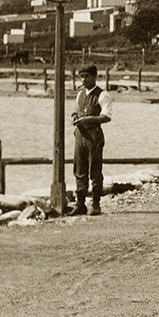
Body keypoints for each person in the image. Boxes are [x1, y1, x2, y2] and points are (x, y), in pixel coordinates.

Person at [69, 65, 113, 216]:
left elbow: (107, 116)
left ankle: (95, 204)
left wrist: (89, 119)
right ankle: (80, 204)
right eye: (81, 76)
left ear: (94, 77)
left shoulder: (102, 95)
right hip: (80, 136)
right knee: (79, 170)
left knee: (95, 171)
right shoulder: (80, 94)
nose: (84, 79)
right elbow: (76, 110)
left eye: (87, 76)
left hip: (94, 137)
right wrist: (74, 117)